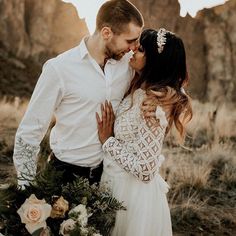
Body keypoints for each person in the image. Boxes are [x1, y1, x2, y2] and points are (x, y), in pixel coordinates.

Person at [13, 0, 144, 187]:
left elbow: (162, 75)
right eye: (130, 40)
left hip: (109, 176)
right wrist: (26, 188)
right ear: (106, 33)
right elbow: (29, 132)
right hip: (64, 176)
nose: (133, 47)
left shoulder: (128, 65)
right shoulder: (59, 69)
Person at [96, 28, 193, 236]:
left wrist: (108, 141)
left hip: (132, 196)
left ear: (154, 61)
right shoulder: (138, 88)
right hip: (113, 183)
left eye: (140, 50)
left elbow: (146, 171)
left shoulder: (153, 104)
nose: (133, 52)